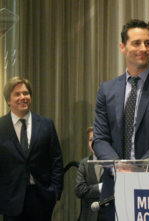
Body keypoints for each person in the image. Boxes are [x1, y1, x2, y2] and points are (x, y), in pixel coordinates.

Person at [93, 19, 149, 220]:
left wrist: (137, 169)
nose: (144, 48)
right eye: (137, 43)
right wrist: (118, 167)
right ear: (122, 47)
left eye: (148, 43)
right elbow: (100, 138)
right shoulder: (106, 90)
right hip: (114, 186)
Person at [0, 77, 64, 221]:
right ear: (8, 100)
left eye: (26, 93)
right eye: (17, 94)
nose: (23, 97)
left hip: (42, 198)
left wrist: (55, 192)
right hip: (11, 200)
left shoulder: (46, 124)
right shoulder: (1, 127)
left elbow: (56, 160)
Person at [75, 126, 105, 221]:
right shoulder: (84, 163)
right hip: (89, 216)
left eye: (96, 139)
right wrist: (100, 188)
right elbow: (79, 190)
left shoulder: (114, 162)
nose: (93, 143)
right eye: (90, 140)